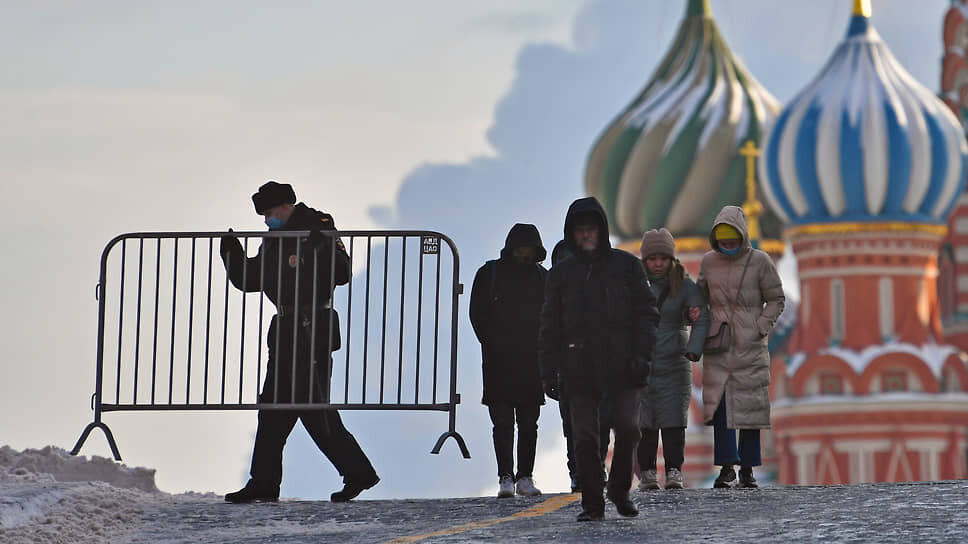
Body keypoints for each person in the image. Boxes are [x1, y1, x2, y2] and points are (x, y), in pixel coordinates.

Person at [220, 181, 379, 503]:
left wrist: (321, 248)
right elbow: (251, 280)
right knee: (273, 408)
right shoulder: (273, 241)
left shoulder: (319, 226)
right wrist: (232, 253)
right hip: (285, 327)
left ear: (285, 206)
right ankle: (263, 482)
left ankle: (359, 473)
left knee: (313, 407)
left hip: (313, 326)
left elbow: (341, 273)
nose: (266, 220)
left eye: (269, 212)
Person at [539, 197, 659, 521]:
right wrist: (548, 371)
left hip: (624, 364)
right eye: (580, 230)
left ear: (601, 230)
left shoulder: (626, 266)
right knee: (585, 439)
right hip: (579, 367)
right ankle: (592, 502)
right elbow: (549, 325)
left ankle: (619, 490)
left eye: (591, 229)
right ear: (571, 235)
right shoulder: (561, 275)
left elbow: (647, 313)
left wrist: (642, 356)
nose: (586, 235)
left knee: (629, 428)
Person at [697, 206, 784, 489]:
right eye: (723, 240)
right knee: (721, 408)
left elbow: (776, 298)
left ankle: (747, 468)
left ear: (742, 235)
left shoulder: (760, 262)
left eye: (732, 239)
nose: (728, 245)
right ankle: (726, 467)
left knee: (750, 407)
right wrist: (695, 317)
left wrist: (761, 326)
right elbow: (699, 297)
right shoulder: (709, 262)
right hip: (720, 345)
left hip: (750, 345)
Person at [470, 224, 548, 498]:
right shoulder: (489, 273)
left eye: (528, 249)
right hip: (498, 361)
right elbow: (476, 314)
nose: (524, 253)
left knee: (529, 423)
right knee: (501, 422)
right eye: (520, 248)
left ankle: (525, 477)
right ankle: (506, 476)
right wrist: (491, 342)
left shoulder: (542, 278)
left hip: (531, 362)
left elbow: (551, 318)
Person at [635, 228, 709, 491]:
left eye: (663, 258)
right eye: (652, 258)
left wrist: (694, 349)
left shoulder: (684, 285)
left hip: (675, 363)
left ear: (671, 260)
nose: (657, 263)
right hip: (642, 364)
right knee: (644, 422)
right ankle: (647, 473)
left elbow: (702, 318)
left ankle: (674, 471)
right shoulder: (634, 284)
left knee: (673, 420)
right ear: (644, 260)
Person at [549, 240, 612, 494]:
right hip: (568, 367)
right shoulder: (552, 296)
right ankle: (577, 471)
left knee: (602, 420)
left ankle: (595, 467)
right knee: (573, 424)